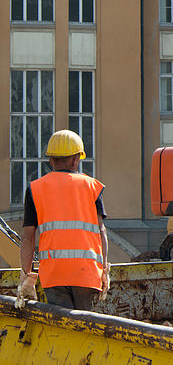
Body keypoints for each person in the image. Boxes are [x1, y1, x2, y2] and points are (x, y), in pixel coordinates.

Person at [16, 129, 110, 311]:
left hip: (54, 275)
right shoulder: (92, 186)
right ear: (76, 159)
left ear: (51, 160)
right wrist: (104, 270)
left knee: (62, 329)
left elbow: (28, 237)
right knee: (84, 329)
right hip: (86, 274)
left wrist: (26, 274)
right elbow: (101, 231)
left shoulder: (35, 189)